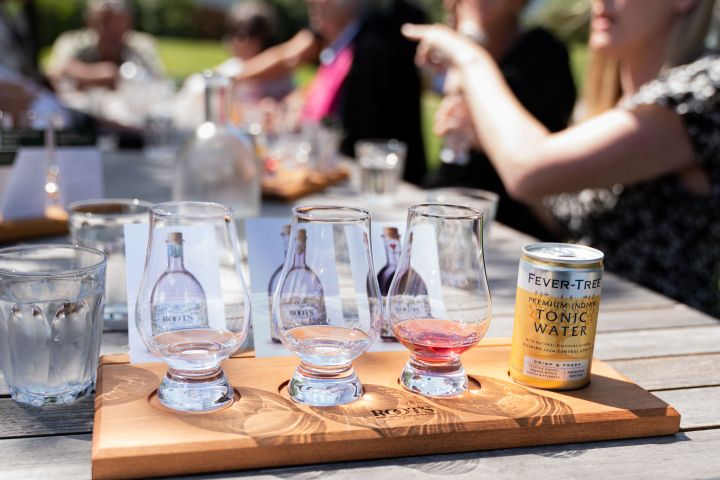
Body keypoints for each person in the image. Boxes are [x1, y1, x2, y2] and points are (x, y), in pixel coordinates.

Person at [404, 0, 720, 316]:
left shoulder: (703, 91)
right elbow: (562, 208)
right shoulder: (618, 98)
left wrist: (468, 56)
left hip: (670, 335)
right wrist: (488, 141)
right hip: (577, 326)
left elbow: (529, 170)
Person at [426, 0, 576, 240]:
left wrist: (469, 36)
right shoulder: (482, 56)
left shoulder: (542, 54)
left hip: (513, 226)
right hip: (455, 214)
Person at [236, 0, 428, 185]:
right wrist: (293, 106)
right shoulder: (344, 45)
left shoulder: (371, 52)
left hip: (382, 187)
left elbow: (351, 136)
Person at [46, 0, 164, 90]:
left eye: (118, 23)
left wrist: (81, 75)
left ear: (129, 24)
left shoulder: (142, 46)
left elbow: (158, 84)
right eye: (104, 21)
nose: (110, 30)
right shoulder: (74, 42)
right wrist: (102, 75)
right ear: (90, 23)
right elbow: (54, 74)